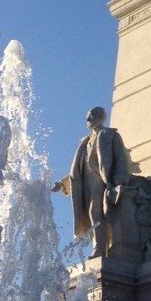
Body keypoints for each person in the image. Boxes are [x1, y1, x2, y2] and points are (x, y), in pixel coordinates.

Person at [53, 107, 129, 258]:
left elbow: (121, 159)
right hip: (85, 181)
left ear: (101, 117)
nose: (88, 120)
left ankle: (100, 249)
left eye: (91, 116)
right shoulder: (85, 142)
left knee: (95, 212)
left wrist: (119, 180)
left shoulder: (110, 135)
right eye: (87, 117)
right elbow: (77, 171)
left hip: (101, 178)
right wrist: (63, 183)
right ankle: (98, 246)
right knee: (89, 214)